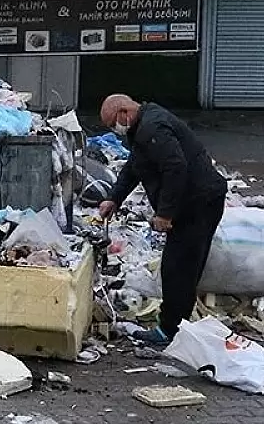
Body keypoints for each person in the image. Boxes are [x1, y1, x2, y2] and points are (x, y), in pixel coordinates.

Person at [97, 94, 228, 347]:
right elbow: (135, 166)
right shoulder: (142, 126)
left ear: (125, 111)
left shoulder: (151, 128)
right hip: (195, 202)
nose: (115, 129)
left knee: (178, 268)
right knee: (181, 267)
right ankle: (177, 326)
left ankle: (171, 330)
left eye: (113, 123)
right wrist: (114, 198)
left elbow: (175, 167)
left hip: (199, 204)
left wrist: (165, 214)